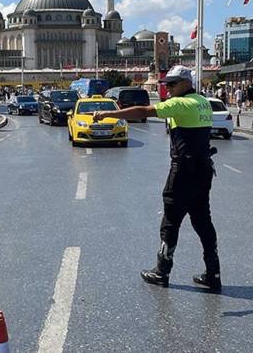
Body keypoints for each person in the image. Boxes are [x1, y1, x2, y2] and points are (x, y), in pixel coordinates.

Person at [92, 65, 221, 291]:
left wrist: (107, 114)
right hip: (203, 169)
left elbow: (143, 111)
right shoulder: (203, 102)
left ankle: (162, 271)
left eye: (172, 84)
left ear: (185, 83)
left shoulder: (180, 104)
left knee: (171, 220)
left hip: (183, 170)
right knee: (202, 220)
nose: (168, 89)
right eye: (166, 85)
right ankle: (213, 273)